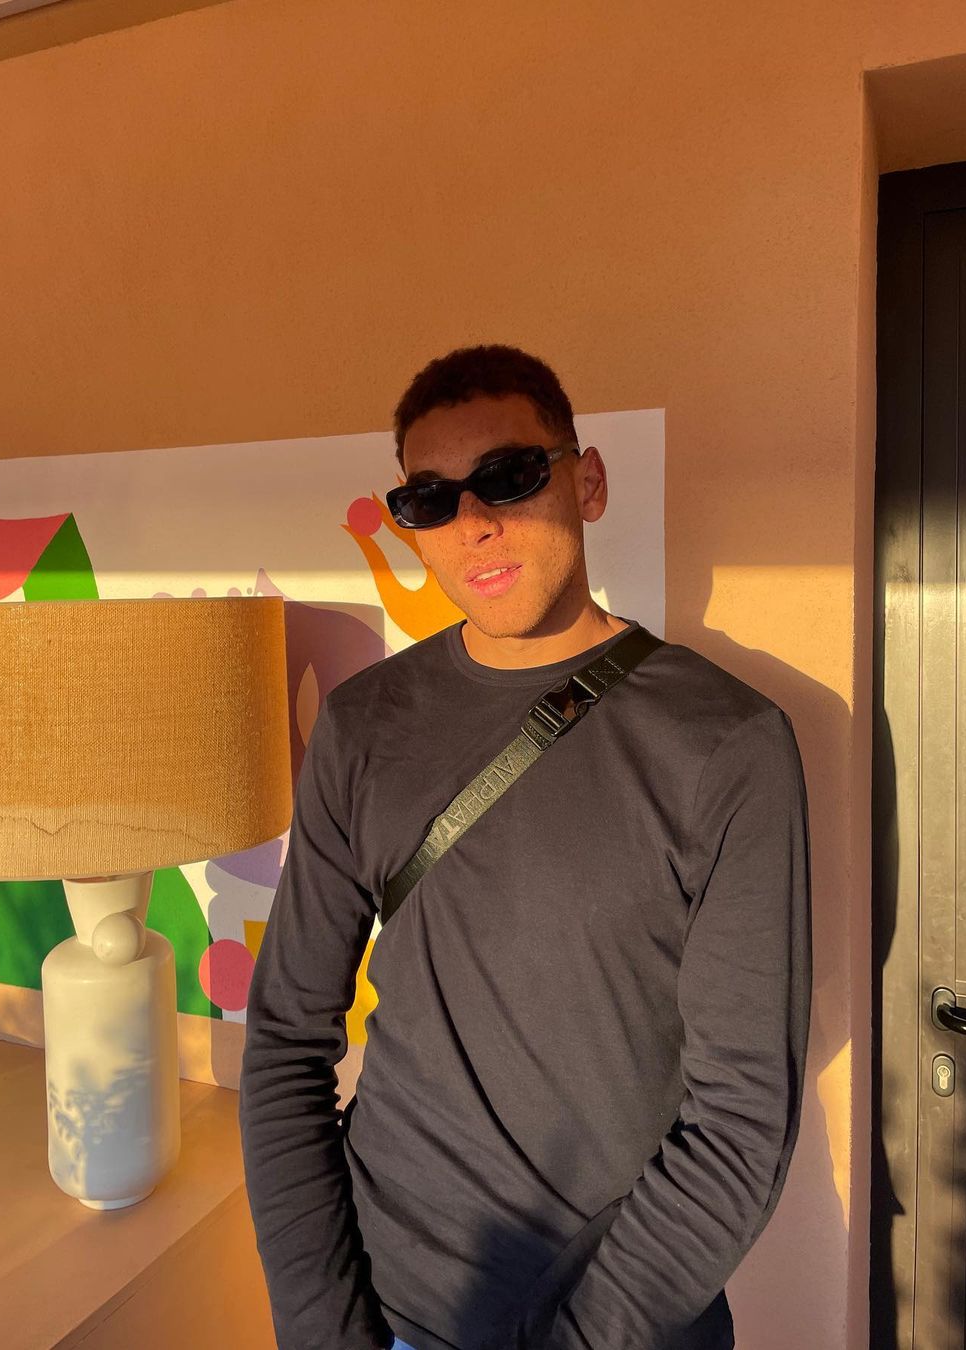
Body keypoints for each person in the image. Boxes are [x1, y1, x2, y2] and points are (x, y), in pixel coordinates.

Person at [240, 344, 812, 1350]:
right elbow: (287, 1040)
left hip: (615, 1318)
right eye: (429, 500)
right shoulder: (365, 725)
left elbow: (741, 1121)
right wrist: (322, 1328)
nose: (473, 523)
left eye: (508, 477)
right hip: (384, 1301)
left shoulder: (726, 744)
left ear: (586, 484)